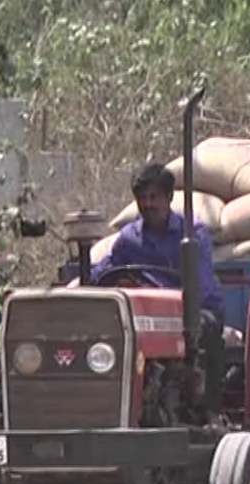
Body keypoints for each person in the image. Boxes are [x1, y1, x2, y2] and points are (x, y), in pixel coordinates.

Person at [93, 162, 226, 412]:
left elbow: (203, 287)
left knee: (205, 331)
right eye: (142, 198)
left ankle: (208, 410)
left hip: (188, 310)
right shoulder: (129, 239)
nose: (148, 204)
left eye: (154, 197)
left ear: (169, 197)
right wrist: (87, 279)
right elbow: (108, 269)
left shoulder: (192, 235)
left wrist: (179, 307)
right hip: (145, 316)